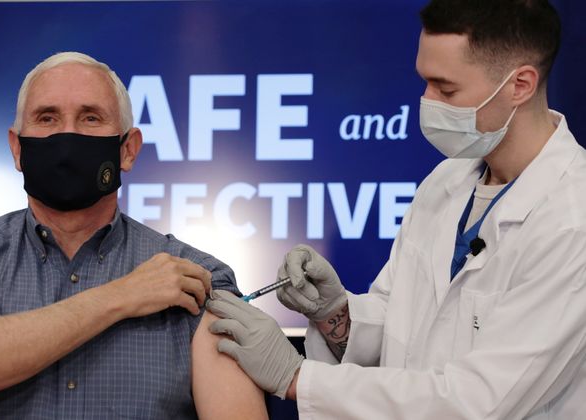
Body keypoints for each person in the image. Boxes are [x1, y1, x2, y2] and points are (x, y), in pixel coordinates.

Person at [207, 1, 586, 419]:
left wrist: (297, 377)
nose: (426, 102)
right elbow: (405, 326)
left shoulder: (572, 220)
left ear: (521, 84)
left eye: (446, 89)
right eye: (424, 82)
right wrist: (338, 315)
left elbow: (477, 402)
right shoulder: (447, 182)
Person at [0, 52, 267, 419]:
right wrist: (122, 294)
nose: (66, 135)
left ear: (128, 149)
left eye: (90, 118)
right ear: (17, 148)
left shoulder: (195, 277)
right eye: (47, 118)